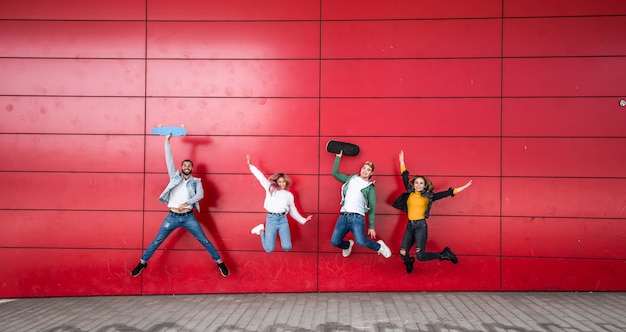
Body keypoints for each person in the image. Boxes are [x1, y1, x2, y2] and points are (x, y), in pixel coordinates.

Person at [131, 134, 229, 277]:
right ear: (181, 167)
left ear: (192, 168)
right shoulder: (174, 176)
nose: (187, 167)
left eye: (189, 165)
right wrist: (167, 141)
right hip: (172, 217)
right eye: (184, 165)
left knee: (204, 240)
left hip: (189, 217)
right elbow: (168, 159)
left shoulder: (196, 181)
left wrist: (187, 203)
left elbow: (200, 195)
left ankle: (219, 262)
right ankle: (142, 263)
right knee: (158, 240)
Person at [392, 150, 472, 274]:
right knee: (403, 252)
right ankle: (409, 262)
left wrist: (463, 187)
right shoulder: (409, 192)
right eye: (416, 182)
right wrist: (402, 161)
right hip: (410, 225)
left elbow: (446, 193)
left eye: (421, 183)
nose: (418, 185)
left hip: (420, 227)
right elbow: (404, 175)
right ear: (413, 184)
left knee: (421, 256)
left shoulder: (428, 196)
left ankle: (444, 254)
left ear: (424, 186)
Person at [330, 150, 391, 259]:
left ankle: (379, 247)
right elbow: (335, 173)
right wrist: (338, 157)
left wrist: (371, 226)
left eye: (368, 170)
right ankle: (348, 245)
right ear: (360, 169)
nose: (365, 171)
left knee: (361, 241)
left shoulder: (370, 187)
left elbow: (372, 207)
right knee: (334, 242)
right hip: (343, 216)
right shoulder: (351, 179)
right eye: (364, 168)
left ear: (371, 173)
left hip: (357, 218)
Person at [246, 154, 313, 253]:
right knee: (269, 249)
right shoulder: (270, 188)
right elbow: (261, 177)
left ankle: (265, 232)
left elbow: (293, 210)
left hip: (283, 220)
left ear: (286, 183)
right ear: (276, 182)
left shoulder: (289, 195)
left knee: (287, 247)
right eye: (280, 182)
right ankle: (261, 230)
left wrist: (303, 220)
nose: (282, 184)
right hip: (271, 220)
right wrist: (250, 165)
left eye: (283, 182)